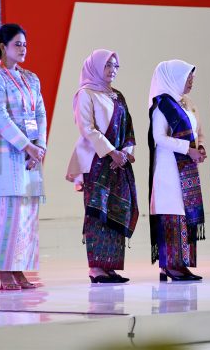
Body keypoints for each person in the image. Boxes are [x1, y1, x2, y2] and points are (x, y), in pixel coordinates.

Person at [0, 24, 46, 290]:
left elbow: (40, 113)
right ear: (2, 47)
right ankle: (3, 271)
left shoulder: (31, 78)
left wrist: (40, 146)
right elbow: (0, 117)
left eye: (25, 44)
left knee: (26, 214)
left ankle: (19, 268)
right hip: (3, 155)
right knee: (6, 214)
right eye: (17, 44)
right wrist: (28, 146)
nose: (23, 49)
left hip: (30, 155)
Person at [66, 49, 138, 283]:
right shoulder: (85, 94)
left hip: (119, 163)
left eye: (116, 66)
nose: (112, 70)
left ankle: (111, 266)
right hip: (96, 162)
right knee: (98, 212)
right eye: (108, 65)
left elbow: (128, 129)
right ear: (95, 66)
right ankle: (96, 268)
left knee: (117, 211)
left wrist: (125, 153)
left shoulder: (118, 96)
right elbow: (86, 128)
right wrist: (111, 152)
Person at [148, 60, 206, 281]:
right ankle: (170, 264)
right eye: (187, 77)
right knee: (173, 213)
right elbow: (159, 137)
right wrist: (187, 149)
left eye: (192, 77)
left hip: (186, 166)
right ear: (173, 78)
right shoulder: (162, 105)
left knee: (185, 213)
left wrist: (200, 147)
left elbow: (197, 131)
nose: (191, 81)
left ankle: (182, 264)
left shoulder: (185, 103)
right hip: (168, 168)